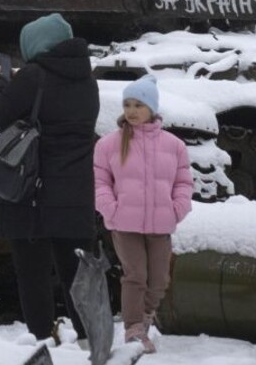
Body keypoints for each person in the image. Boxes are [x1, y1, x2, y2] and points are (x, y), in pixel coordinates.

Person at [0, 13, 99, 343]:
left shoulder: (34, 76)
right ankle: (90, 339)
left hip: (32, 192)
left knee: (33, 275)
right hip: (75, 194)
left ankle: (42, 339)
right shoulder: (88, 81)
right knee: (76, 275)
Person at [93, 75, 194, 354]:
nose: (132, 110)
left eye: (138, 104)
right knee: (135, 275)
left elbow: (183, 183)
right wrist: (110, 209)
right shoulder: (109, 144)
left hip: (161, 224)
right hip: (124, 224)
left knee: (160, 279)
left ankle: (145, 319)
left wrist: (177, 209)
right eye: (127, 104)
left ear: (152, 108)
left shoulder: (174, 145)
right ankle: (134, 328)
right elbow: (100, 182)